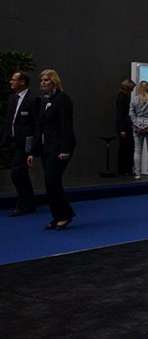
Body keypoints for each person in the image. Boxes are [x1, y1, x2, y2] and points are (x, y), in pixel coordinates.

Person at [27, 69, 76, 230]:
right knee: (50, 183)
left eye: (46, 80)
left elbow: (66, 125)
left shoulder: (62, 99)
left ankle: (64, 215)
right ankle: (59, 216)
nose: (43, 83)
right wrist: (33, 151)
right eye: (41, 80)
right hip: (46, 147)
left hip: (59, 147)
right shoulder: (44, 101)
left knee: (52, 180)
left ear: (54, 81)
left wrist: (65, 149)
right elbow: (39, 127)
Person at [1, 71, 40, 216]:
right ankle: (29, 202)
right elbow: (9, 121)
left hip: (25, 144)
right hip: (13, 141)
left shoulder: (33, 100)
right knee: (20, 174)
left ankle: (24, 203)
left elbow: (37, 125)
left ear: (22, 82)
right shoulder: (12, 99)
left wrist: (33, 148)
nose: (10, 82)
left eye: (14, 79)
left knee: (17, 173)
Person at [129, 81, 148, 180]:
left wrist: (136, 123)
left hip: (137, 126)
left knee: (137, 150)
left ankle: (138, 173)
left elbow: (131, 113)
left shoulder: (135, 100)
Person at [115, 79, 136, 175]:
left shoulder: (123, 96)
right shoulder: (122, 98)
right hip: (124, 127)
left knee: (126, 147)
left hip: (125, 126)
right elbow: (120, 114)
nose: (132, 90)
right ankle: (124, 169)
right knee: (125, 148)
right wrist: (122, 129)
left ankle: (125, 169)